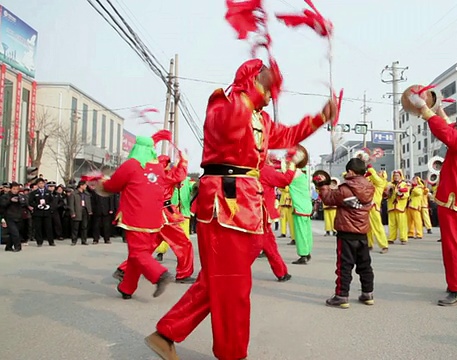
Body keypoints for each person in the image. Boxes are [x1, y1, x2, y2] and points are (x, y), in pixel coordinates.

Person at [144, 58, 337, 360]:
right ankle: (230, 354)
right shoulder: (223, 104)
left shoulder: (260, 117)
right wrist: (258, 90)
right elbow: (231, 125)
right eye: (267, 86)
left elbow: (285, 136)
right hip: (225, 203)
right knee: (233, 287)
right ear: (252, 80)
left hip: (245, 204)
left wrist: (318, 119)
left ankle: (166, 333)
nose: (272, 94)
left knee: (219, 281)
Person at [409, 93, 457, 306]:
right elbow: (448, 126)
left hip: (454, 202)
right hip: (456, 202)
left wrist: (424, 107)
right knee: (456, 246)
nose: (454, 128)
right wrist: (438, 107)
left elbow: (443, 130)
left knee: (453, 248)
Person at [97, 134, 174, 299]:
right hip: (154, 219)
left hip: (135, 217)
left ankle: (160, 275)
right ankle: (127, 287)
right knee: (137, 254)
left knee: (137, 253)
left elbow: (113, 185)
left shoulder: (131, 165)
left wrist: (102, 180)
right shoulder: (159, 168)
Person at [113, 153, 196, 284]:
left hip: (155, 214)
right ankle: (183, 273)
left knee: (149, 247)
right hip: (165, 215)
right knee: (183, 244)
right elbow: (180, 175)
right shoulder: (165, 175)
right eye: (169, 164)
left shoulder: (151, 176)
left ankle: (123, 269)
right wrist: (184, 160)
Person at [315, 158, 375, 308]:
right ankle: (368, 294)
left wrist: (323, 185)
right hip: (362, 232)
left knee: (344, 266)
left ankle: (342, 295)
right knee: (365, 265)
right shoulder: (369, 187)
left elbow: (328, 199)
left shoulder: (345, 189)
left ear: (350, 171)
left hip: (347, 232)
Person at [258, 154, 296, 281]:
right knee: (264, 244)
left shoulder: (252, 169)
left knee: (268, 244)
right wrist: (291, 167)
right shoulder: (265, 170)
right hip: (262, 212)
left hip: (252, 212)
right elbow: (284, 180)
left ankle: (281, 272)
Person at [290, 164, 314, 265]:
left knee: (300, 232)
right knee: (307, 232)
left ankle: (303, 254)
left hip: (299, 207)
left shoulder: (294, 177)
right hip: (307, 207)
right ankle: (307, 252)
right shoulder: (305, 177)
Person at [366, 166, 389, 253]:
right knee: (367, 227)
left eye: (380, 172)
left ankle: (384, 245)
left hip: (374, 207)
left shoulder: (381, 182)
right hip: (366, 207)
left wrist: (370, 167)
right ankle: (369, 244)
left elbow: (374, 176)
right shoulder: (371, 182)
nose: (378, 172)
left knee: (378, 227)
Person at [0, 182, 29, 252]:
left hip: (19, 216)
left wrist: (20, 200)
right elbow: (2, 205)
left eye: (17, 189)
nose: (15, 190)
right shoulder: (5, 196)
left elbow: (25, 203)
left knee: (14, 233)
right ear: (10, 189)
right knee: (14, 232)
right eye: (14, 189)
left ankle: (8, 246)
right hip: (9, 216)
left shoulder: (20, 196)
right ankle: (17, 246)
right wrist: (10, 201)